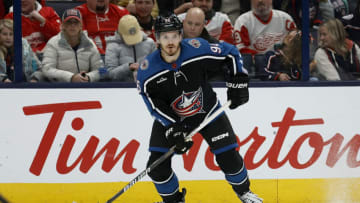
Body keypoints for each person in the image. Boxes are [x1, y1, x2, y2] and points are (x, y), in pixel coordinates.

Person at [136, 14, 262, 203]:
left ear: (180, 36)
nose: (170, 42)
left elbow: (231, 53)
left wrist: (239, 81)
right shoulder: (147, 70)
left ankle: (244, 192)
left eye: (173, 36)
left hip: (207, 112)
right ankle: (173, 201)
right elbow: (153, 104)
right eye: (164, 37)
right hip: (173, 118)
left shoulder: (198, 48)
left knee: (228, 156)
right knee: (156, 167)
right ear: (157, 39)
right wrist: (172, 126)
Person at [42, 9, 104, 82]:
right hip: (60, 88)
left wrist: (88, 77)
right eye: (69, 22)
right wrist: (71, 77)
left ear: (81, 26)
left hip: (84, 87)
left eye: (76, 22)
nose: (72, 25)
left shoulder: (89, 44)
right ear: (63, 26)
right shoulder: (53, 43)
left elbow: (102, 70)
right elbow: (47, 69)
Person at [105, 14, 156, 81]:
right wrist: (128, 67)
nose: (133, 41)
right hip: (122, 88)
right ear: (120, 33)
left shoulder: (150, 43)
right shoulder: (112, 46)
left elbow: (157, 66)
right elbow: (109, 74)